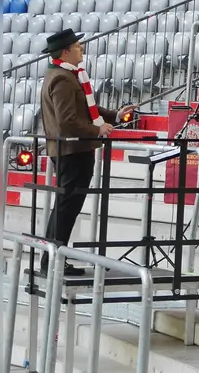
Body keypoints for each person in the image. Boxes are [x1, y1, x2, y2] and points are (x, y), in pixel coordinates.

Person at [40, 28, 137, 263]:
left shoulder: (66, 74)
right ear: (65, 52)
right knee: (66, 209)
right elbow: (68, 121)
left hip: (73, 151)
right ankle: (53, 261)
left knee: (65, 208)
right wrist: (97, 130)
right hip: (73, 152)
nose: (81, 48)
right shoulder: (63, 78)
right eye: (76, 46)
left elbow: (85, 108)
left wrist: (114, 115)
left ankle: (52, 259)